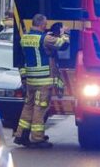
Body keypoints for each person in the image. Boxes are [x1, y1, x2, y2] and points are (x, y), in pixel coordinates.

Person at [13, 14, 70, 148]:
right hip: (43, 80)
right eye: (45, 24)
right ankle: (37, 138)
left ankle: (21, 135)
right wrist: (65, 33)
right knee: (40, 108)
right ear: (41, 24)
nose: (45, 26)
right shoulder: (44, 39)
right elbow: (62, 44)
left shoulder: (24, 38)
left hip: (31, 80)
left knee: (28, 106)